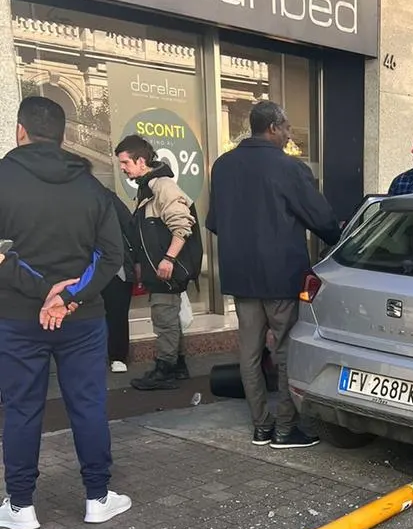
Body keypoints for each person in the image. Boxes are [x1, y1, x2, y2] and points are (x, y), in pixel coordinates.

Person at [0, 96, 129, 529]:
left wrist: (42, 293)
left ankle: (21, 506)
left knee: (21, 409)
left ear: (20, 131)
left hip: (16, 319)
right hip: (83, 319)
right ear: (63, 136)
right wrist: (68, 296)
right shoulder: (91, 187)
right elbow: (112, 255)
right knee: (88, 406)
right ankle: (96, 498)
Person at [207, 100, 342, 448]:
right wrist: (339, 241)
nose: (288, 135)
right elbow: (323, 221)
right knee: (284, 352)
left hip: (241, 276)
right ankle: (285, 428)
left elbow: (215, 222)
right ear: (272, 128)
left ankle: (260, 427)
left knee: (249, 353)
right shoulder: (289, 168)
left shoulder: (222, 166)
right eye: (285, 129)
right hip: (281, 276)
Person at [115, 135, 199, 391]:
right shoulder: (148, 188)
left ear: (141, 161)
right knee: (169, 319)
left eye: (125, 162)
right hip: (159, 270)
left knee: (164, 318)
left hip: (167, 270)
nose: (122, 168)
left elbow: (183, 225)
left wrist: (169, 259)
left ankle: (166, 369)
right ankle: (178, 365)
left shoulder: (162, 186)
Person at [100, 188, 137, 372]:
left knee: (117, 313)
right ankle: (114, 357)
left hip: (116, 266)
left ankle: (117, 355)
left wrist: (136, 261)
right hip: (89, 267)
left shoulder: (107, 197)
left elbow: (130, 227)